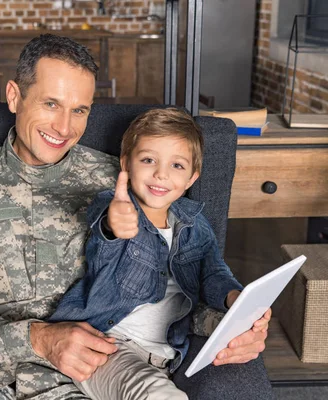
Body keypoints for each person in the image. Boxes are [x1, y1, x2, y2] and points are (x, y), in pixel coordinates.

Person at [0, 34, 273, 400]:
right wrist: (37, 339)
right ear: (15, 97)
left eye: (79, 110)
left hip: (80, 380)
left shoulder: (129, 183)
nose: (64, 127)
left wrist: (232, 325)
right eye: (51, 103)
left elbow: (167, 290)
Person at [49, 108, 267, 400]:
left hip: (168, 351)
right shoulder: (115, 208)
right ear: (126, 164)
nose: (161, 174)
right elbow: (105, 236)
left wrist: (233, 296)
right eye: (148, 160)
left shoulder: (193, 223)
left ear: (192, 178)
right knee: (158, 395)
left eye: (177, 165)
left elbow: (212, 271)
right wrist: (113, 223)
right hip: (107, 347)